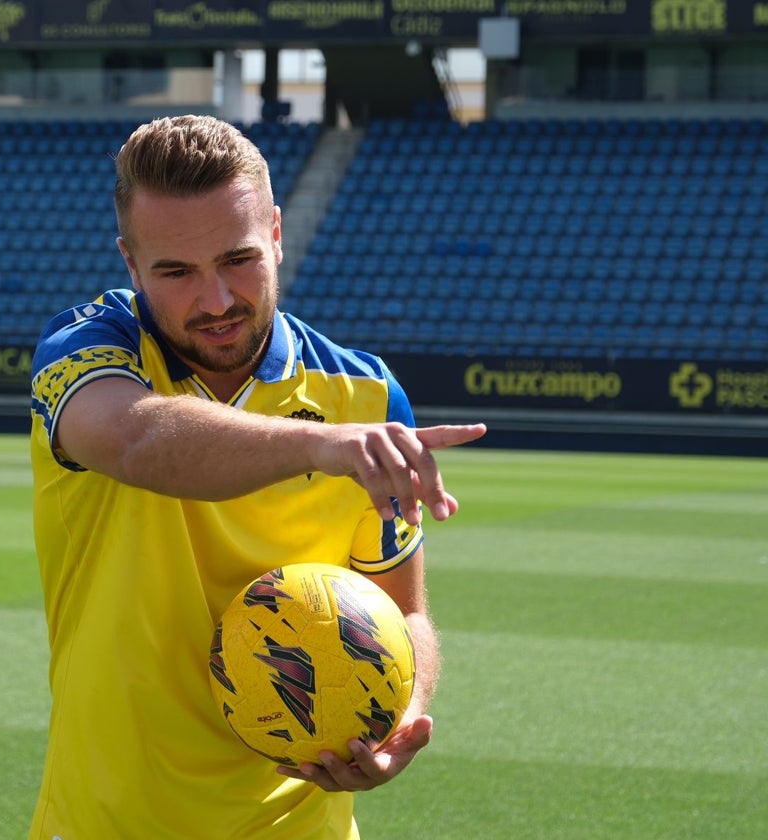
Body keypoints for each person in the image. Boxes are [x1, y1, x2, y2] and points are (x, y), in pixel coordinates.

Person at [28, 114, 486, 840]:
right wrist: (318, 447)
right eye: (175, 272)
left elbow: (405, 612)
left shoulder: (366, 399)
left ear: (276, 231)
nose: (214, 301)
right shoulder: (86, 350)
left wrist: (396, 713)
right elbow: (138, 440)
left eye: (238, 259)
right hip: (107, 822)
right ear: (129, 262)